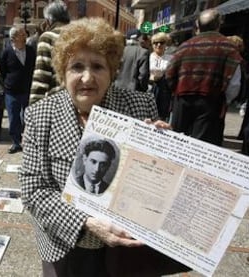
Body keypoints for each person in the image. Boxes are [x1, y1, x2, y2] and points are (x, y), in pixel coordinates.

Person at [19, 17, 189, 276]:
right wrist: (85, 221)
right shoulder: (41, 115)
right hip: (66, 246)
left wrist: (164, 152)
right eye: (77, 66)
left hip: (125, 250)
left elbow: (161, 187)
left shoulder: (140, 105)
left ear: (111, 71)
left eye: (98, 66)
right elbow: (33, 190)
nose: (87, 77)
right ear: (63, 73)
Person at [166, 8, 242, 146]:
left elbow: (169, 74)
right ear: (219, 24)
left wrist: (178, 91)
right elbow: (234, 84)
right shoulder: (229, 48)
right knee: (204, 148)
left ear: (197, 25)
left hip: (182, 101)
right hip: (211, 103)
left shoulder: (184, 46)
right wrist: (224, 100)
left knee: (176, 145)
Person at [0, 27, 36, 153]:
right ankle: (15, 142)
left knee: (28, 116)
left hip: (27, 89)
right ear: (14, 38)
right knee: (13, 117)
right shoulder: (7, 52)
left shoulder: (31, 51)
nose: (25, 36)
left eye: (25, 34)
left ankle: (28, 140)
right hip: (12, 91)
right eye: (21, 34)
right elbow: (2, 70)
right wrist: (8, 83)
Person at [29, 0, 70, 105]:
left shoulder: (48, 37)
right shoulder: (80, 34)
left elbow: (41, 76)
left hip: (57, 102)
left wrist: (33, 107)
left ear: (48, 20)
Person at [149, 32, 173, 120]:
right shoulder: (148, 57)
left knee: (160, 118)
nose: (158, 45)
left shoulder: (170, 58)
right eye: (156, 42)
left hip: (164, 92)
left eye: (162, 42)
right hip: (150, 90)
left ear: (166, 44)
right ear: (152, 44)